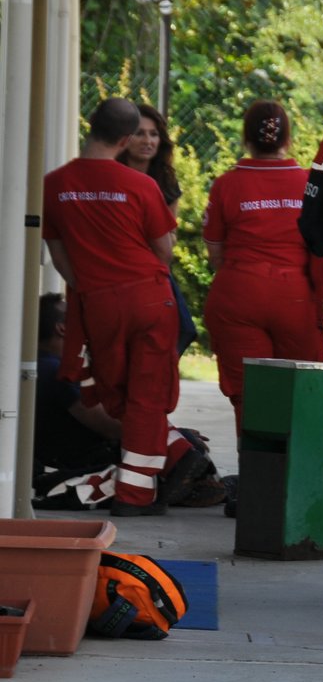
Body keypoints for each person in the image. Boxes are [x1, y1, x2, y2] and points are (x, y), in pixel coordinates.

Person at [42, 98, 200, 516]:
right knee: (147, 395)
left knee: (116, 394)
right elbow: (164, 251)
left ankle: (176, 454)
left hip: (96, 301)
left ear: (90, 126)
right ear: (127, 139)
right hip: (147, 297)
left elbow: (59, 256)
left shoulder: (54, 183)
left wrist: (91, 289)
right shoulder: (141, 185)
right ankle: (137, 492)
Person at [202, 101, 323, 435]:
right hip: (296, 298)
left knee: (250, 396)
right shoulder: (309, 184)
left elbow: (215, 253)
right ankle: (301, 477)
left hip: (238, 293)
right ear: (287, 140)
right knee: (303, 390)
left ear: (246, 139)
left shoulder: (226, 185)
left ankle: (259, 480)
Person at [33, 292, 221, 510]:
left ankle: (191, 483)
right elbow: (110, 427)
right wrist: (166, 432)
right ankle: (196, 485)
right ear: (62, 328)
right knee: (178, 444)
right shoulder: (60, 372)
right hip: (79, 465)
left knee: (176, 441)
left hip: (71, 457)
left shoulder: (44, 365)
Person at [119, 103, 198, 354]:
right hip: (119, 267)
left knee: (185, 329)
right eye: (140, 133)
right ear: (124, 138)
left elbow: (170, 237)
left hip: (156, 267)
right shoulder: (114, 176)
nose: (147, 141)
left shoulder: (166, 180)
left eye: (153, 134)